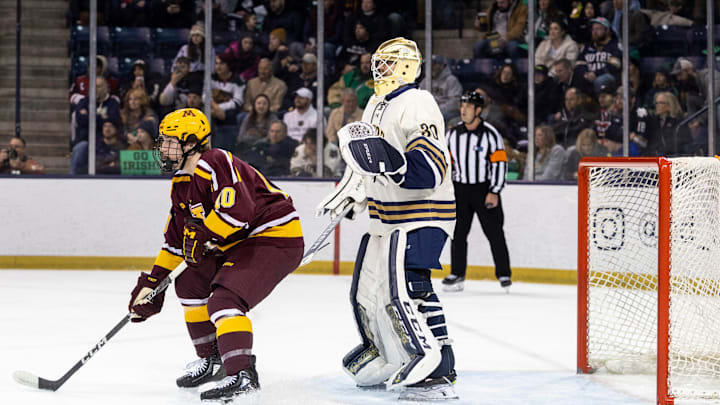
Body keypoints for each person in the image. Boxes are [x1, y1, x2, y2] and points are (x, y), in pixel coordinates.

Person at [127, 108, 303, 402]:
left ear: (192, 143)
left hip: (274, 238)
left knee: (225, 300)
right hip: (239, 242)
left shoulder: (215, 161)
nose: (163, 149)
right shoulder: (181, 184)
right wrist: (152, 283)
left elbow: (239, 212)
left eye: (171, 142)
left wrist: (204, 233)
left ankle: (242, 374)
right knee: (189, 285)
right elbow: (175, 241)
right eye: (163, 142)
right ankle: (214, 360)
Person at [316, 37, 458, 401]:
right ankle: (390, 351)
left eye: (388, 63)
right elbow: (366, 160)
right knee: (373, 288)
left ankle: (439, 361)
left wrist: (392, 167)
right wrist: (353, 191)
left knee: (410, 283)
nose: (380, 70)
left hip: (422, 214)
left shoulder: (419, 102)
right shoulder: (376, 103)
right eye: (380, 63)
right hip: (386, 217)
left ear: (408, 67)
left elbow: (430, 170)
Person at [442, 91, 512, 293]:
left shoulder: (490, 134)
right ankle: (457, 273)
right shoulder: (452, 134)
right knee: (458, 234)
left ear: (479, 110)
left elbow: (499, 163)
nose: (463, 110)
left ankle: (503, 273)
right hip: (460, 190)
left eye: (468, 107)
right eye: (462, 106)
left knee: (495, 233)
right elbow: (447, 163)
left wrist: (494, 191)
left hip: (484, 189)